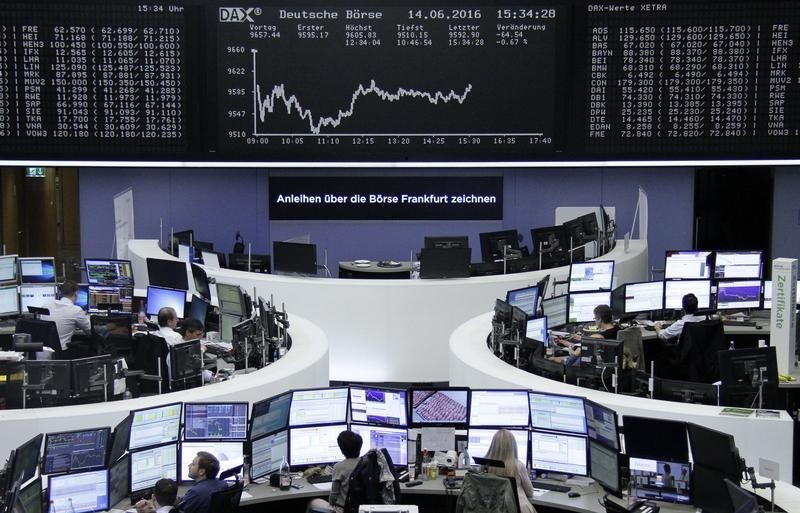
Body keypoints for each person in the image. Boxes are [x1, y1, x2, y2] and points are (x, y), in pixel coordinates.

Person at [307, 430, 363, 513]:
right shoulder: (366, 464)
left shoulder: (339, 467)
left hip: (342, 509)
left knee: (312, 502)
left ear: (342, 450)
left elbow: (333, 498)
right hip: (361, 509)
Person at [484, 429, 536, 513]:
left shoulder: (484, 465)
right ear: (512, 446)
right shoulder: (518, 466)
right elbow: (530, 492)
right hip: (517, 509)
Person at [40, 280, 91, 352]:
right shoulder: (76, 310)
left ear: (61, 292)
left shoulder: (47, 305)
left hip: (44, 351)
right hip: (62, 352)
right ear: (76, 293)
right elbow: (90, 331)